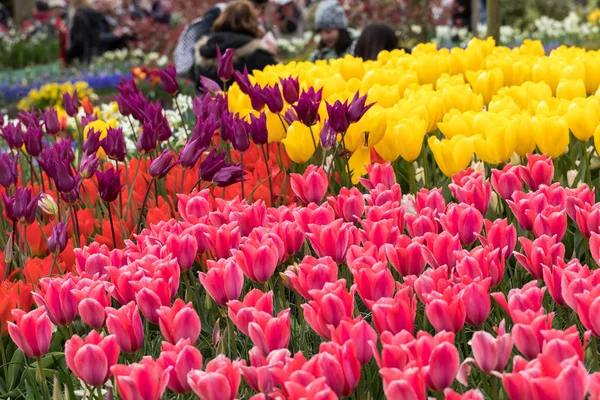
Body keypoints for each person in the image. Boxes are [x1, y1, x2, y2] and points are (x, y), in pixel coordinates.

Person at [173, 0, 268, 79]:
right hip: (221, 67)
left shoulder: (257, 26)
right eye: (257, 7)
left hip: (212, 70)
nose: (258, 12)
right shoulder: (219, 12)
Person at [193, 0, 277, 86]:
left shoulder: (206, 51)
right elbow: (276, 79)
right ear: (252, 20)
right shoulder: (258, 54)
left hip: (214, 98)